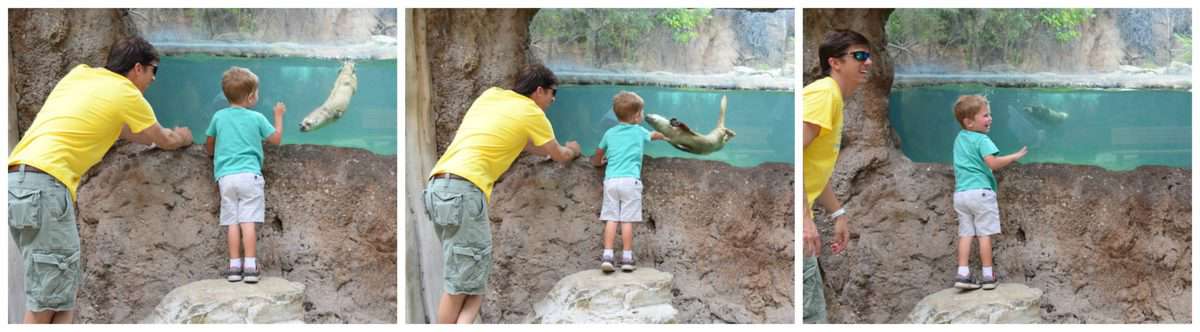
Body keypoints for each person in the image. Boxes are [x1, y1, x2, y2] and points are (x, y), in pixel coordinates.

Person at [7, 36, 193, 324]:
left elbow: (123, 130)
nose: (154, 79)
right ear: (137, 68)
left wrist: (154, 138)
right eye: (154, 70)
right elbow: (163, 139)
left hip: (18, 184)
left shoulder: (80, 74)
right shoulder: (127, 94)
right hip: (47, 188)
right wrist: (182, 137)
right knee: (49, 301)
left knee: (59, 292)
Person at [423, 63, 581, 324]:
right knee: (466, 286)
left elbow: (528, 144)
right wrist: (573, 149)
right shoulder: (532, 112)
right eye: (553, 93)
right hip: (465, 191)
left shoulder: (491, 95)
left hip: (437, 188)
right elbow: (558, 154)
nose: (553, 99)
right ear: (539, 90)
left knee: (465, 278)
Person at [801, 29, 872, 324]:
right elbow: (795, 154)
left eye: (869, 56)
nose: (867, 62)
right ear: (835, 62)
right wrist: (804, 218)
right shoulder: (825, 94)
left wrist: (837, 213)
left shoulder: (831, 97)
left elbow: (812, 166)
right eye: (859, 56)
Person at [203, 66, 285, 284]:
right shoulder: (257, 117)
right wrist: (278, 116)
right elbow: (275, 139)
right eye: (256, 92)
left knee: (232, 222)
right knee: (248, 220)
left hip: (226, 178)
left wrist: (212, 154)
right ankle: (250, 265)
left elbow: (209, 143)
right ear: (251, 97)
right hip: (249, 176)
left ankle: (233, 266)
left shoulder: (218, 117)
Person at [950, 95, 1027, 290]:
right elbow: (992, 163)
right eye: (985, 115)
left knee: (966, 233)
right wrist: (1014, 156)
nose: (990, 118)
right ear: (969, 122)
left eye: (989, 114)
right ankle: (987, 275)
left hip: (961, 194)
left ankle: (963, 273)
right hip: (981, 193)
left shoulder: (959, 138)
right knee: (984, 234)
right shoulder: (982, 139)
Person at [590, 91, 667, 273]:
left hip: (611, 181)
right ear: (636, 116)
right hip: (630, 182)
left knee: (611, 218)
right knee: (626, 221)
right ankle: (626, 257)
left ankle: (607, 256)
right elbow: (653, 135)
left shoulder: (609, 133)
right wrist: (666, 135)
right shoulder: (639, 131)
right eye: (641, 112)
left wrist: (597, 163)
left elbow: (598, 154)